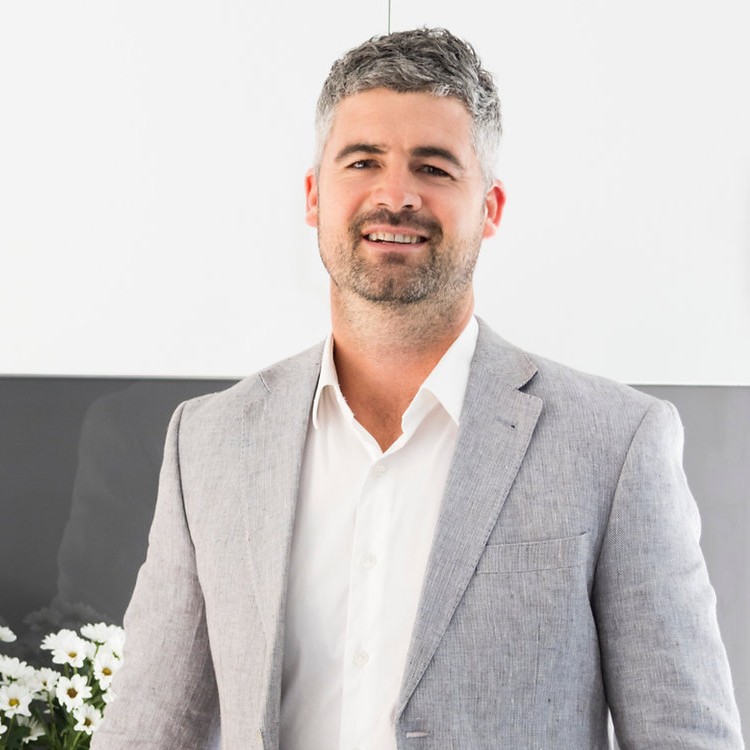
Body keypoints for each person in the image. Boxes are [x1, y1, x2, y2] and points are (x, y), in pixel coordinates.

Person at [93, 28, 743, 750]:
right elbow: (146, 730)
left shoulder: (615, 444)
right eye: (363, 161)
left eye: (433, 167)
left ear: (490, 208)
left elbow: (687, 735)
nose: (396, 195)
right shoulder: (209, 441)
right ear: (313, 196)